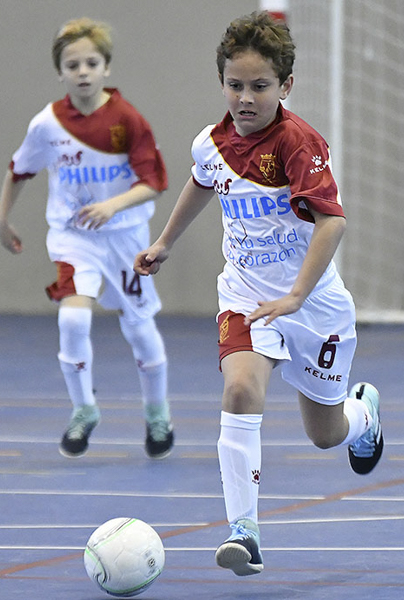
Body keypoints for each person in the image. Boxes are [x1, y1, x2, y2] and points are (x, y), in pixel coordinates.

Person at [134, 11, 383, 577]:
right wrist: (166, 241)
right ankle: (244, 532)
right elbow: (202, 182)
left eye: (259, 87)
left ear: (285, 87)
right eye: (235, 85)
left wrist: (297, 294)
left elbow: (332, 223)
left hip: (312, 305)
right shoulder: (211, 141)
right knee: (241, 391)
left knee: (325, 435)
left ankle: (363, 415)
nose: (245, 98)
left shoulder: (298, 144)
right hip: (245, 296)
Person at [0, 18, 175, 460]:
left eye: (91, 63)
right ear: (60, 72)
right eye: (72, 64)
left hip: (125, 239)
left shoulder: (128, 121)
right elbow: (19, 169)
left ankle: (157, 414)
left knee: (138, 327)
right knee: (73, 320)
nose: (82, 71)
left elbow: (154, 182)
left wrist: (113, 206)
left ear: (106, 68)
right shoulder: (47, 124)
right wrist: (2, 218)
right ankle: (84, 409)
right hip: (74, 238)